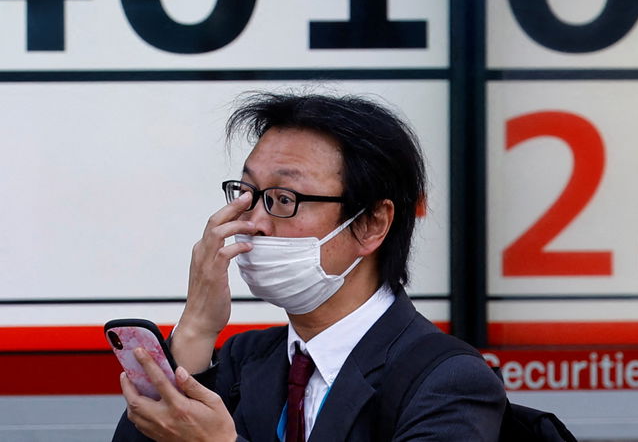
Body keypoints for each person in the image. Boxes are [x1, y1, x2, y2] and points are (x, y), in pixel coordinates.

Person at [112, 89, 506, 442]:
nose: (254, 223)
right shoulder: (244, 359)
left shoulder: (447, 379)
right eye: (247, 193)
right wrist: (197, 326)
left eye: (284, 198)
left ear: (372, 224)